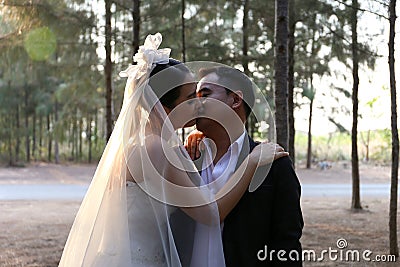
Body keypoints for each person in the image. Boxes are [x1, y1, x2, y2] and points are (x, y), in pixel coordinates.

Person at [58, 33, 288, 267]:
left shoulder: (152, 147)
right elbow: (209, 214)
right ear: (162, 105)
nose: (198, 105)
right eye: (190, 98)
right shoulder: (155, 149)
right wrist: (251, 163)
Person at [184, 66, 304, 266]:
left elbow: (287, 243)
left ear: (236, 100)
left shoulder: (275, 165)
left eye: (205, 94)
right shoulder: (185, 158)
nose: (196, 103)